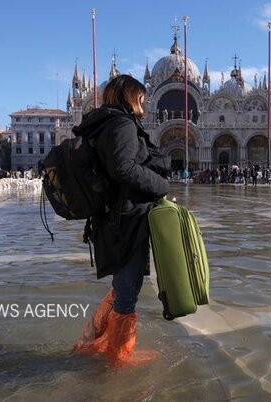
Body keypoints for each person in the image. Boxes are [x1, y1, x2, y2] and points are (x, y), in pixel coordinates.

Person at [70, 75, 169, 365]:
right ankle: (118, 360)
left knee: (122, 288)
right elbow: (124, 169)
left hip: (115, 219)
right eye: (140, 96)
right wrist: (162, 186)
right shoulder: (122, 124)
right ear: (129, 96)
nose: (144, 101)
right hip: (126, 222)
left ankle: (89, 344)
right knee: (127, 295)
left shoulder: (106, 123)